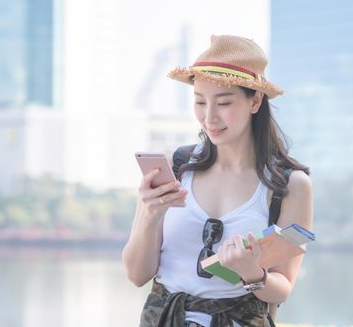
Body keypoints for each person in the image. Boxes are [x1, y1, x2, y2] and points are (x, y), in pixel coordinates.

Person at [122, 34, 313, 327]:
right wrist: (150, 214)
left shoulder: (289, 185)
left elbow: (283, 286)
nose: (209, 117)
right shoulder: (176, 167)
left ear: (255, 101)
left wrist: (252, 273)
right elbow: (137, 275)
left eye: (223, 102)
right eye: (199, 102)